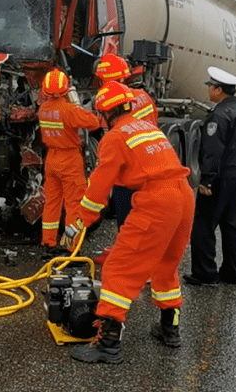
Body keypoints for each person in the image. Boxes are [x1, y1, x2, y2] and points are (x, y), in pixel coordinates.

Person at [61, 81, 194, 364]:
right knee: (166, 264)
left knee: (118, 268)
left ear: (106, 114)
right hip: (183, 195)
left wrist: (79, 222)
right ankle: (170, 330)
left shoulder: (115, 136)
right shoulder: (147, 127)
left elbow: (98, 188)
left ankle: (108, 344)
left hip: (157, 201)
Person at [185, 67, 236, 287]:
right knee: (229, 224)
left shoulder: (219, 114)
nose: (209, 91)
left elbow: (213, 150)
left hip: (220, 178)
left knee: (204, 226)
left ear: (218, 90)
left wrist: (207, 179)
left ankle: (205, 274)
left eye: (211, 87)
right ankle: (233, 273)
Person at [37, 68, 100, 259]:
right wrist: (78, 104)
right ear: (66, 89)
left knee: (52, 202)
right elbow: (94, 123)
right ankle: (70, 248)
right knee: (73, 204)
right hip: (69, 159)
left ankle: (49, 243)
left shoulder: (43, 110)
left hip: (52, 159)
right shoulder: (69, 110)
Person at [94, 54, 159, 231]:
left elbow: (101, 127)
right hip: (152, 163)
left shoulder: (114, 103)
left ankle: (126, 252)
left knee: (126, 223)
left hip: (127, 172)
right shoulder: (143, 96)